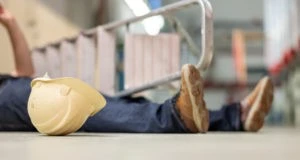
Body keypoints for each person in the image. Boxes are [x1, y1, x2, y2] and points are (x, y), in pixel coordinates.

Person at [0, 6, 274, 133]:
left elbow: (24, 74)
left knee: (107, 102)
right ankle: (176, 117)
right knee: (82, 106)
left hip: (11, 89)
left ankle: (235, 117)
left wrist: (11, 23)